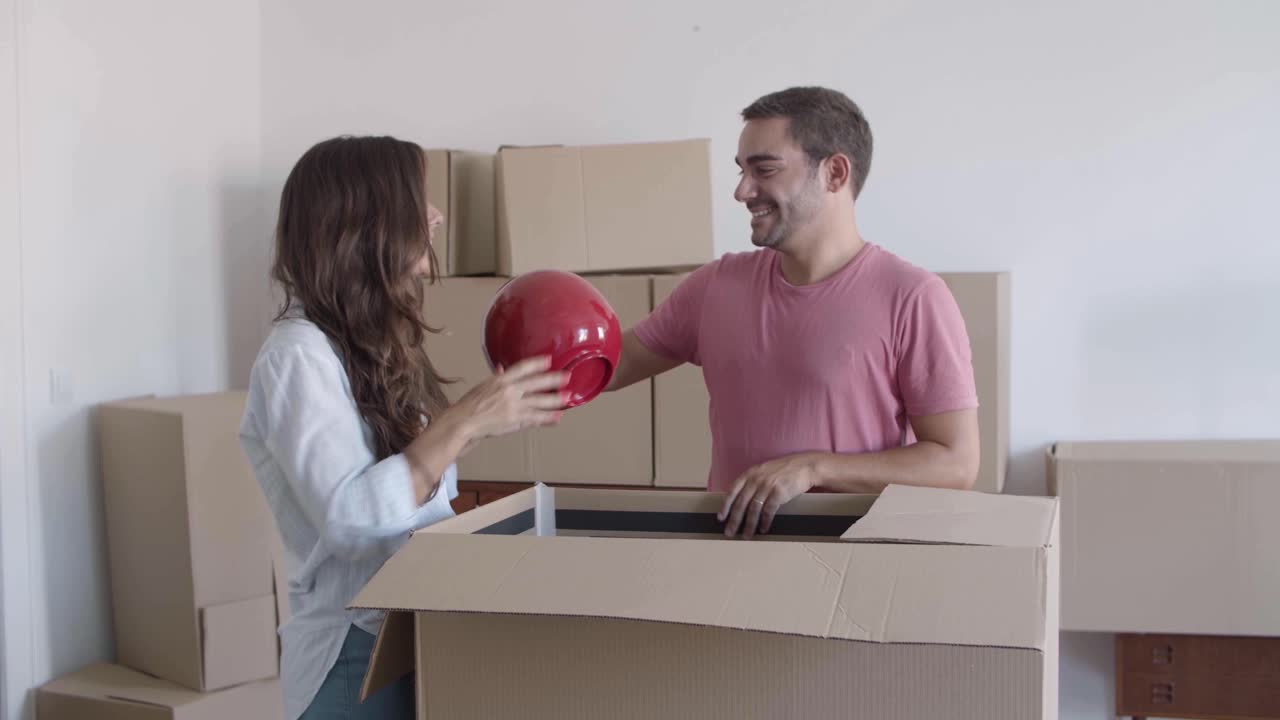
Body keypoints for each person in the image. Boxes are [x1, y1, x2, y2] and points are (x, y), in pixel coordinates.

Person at [239, 136, 569, 720]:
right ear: (364, 222)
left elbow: (416, 504)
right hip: (352, 654)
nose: (436, 215)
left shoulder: (379, 345)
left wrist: (470, 427)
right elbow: (352, 523)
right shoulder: (298, 355)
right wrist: (461, 424)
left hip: (409, 630)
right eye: (418, 198)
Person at [605, 86, 981, 539]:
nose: (742, 190)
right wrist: (512, 382)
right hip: (728, 558)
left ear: (834, 173)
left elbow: (956, 464)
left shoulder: (913, 297)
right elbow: (612, 365)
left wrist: (813, 468)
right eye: (742, 171)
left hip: (852, 565)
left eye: (764, 169)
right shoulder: (715, 286)